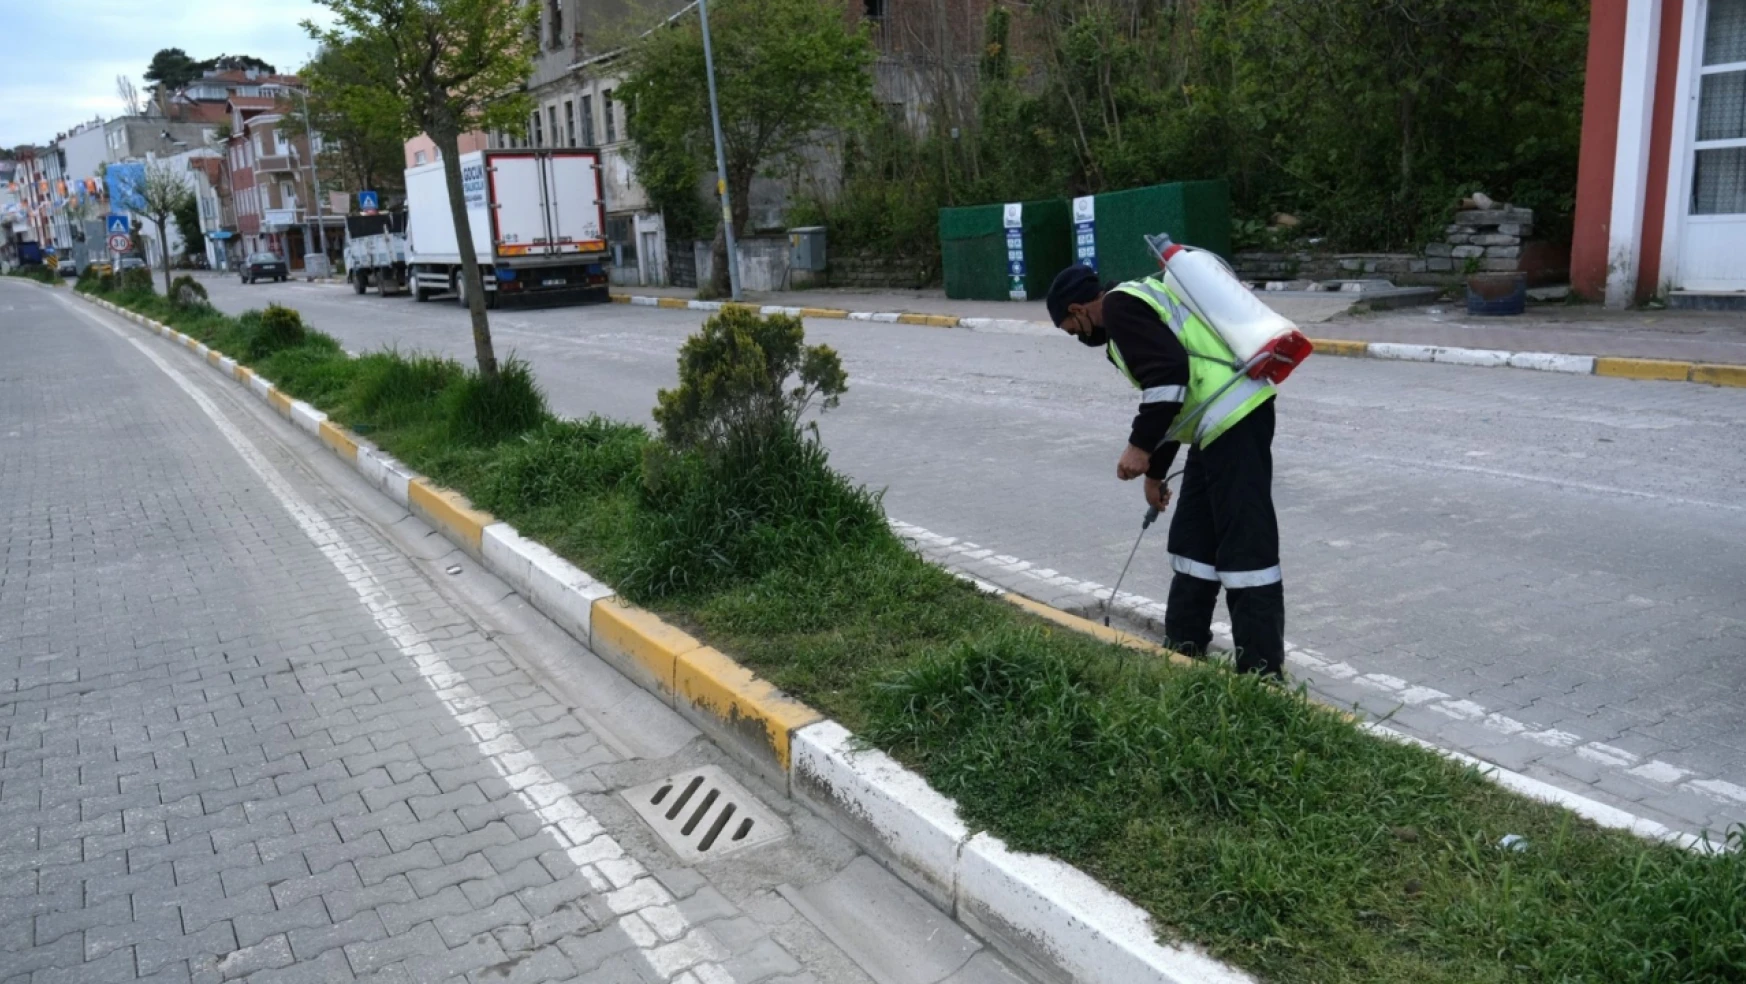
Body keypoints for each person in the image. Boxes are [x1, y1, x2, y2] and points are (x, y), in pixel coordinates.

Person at [1045, 263, 1285, 677]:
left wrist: (1138, 448)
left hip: (1236, 419)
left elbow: (1169, 377)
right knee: (1192, 543)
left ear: (1078, 309)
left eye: (1071, 327)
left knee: (1245, 547)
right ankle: (1183, 653)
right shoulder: (1126, 315)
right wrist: (1156, 473)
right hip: (1211, 426)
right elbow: (1175, 395)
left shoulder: (1120, 307)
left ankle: (1262, 674)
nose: (1077, 336)